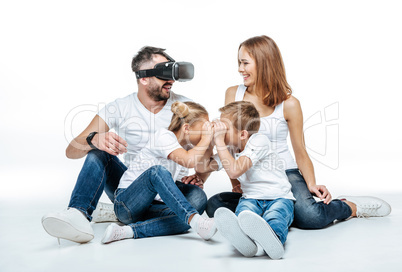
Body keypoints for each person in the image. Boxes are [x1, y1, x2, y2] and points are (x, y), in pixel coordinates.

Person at [206, 35, 391, 229]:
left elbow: (300, 151)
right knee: (215, 206)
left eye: (245, 63)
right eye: (239, 62)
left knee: (312, 216)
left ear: (263, 63)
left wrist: (311, 184)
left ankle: (348, 206)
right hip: (250, 171)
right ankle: (279, 211)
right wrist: (235, 181)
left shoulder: (289, 104)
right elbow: (229, 143)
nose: (240, 69)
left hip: (285, 171)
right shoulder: (232, 94)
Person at [42, 46, 208, 244]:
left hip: (170, 191)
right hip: (132, 191)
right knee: (98, 153)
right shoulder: (119, 107)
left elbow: (207, 149)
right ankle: (77, 215)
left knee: (198, 198)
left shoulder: (184, 107)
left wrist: (200, 176)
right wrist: (94, 139)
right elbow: (71, 151)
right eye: (165, 72)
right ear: (143, 77)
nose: (171, 80)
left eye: (172, 73)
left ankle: (129, 224)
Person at [101, 101, 217, 244]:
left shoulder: (186, 149)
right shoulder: (164, 136)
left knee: (198, 197)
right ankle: (194, 219)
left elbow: (177, 184)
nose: (205, 134)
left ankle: (128, 231)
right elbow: (189, 161)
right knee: (157, 171)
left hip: (152, 207)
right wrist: (206, 138)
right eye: (203, 130)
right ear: (186, 128)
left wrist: (210, 142)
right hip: (127, 204)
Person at [198, 101, 294, 259]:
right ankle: (246, 242)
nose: (221, 131)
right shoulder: (229, 149)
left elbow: (235, 171)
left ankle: (275, 240)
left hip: (278, 197)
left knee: (276, 217)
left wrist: (220, 142)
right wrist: (209, 142)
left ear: (243, 134)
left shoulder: (259, 140)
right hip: (251, 197)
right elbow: (203, 167)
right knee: (243, 214)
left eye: (225, 128)